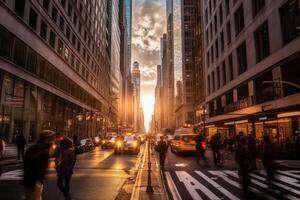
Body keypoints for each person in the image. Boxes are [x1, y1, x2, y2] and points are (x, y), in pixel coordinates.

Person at [23, 130, 56, 200]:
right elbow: (30, 165)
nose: (54, 138)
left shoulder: (43, 148)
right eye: (52, 137)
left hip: (35, 181)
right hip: (34, 181)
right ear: (47, 138)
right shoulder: (40, 149)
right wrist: (37, 180)